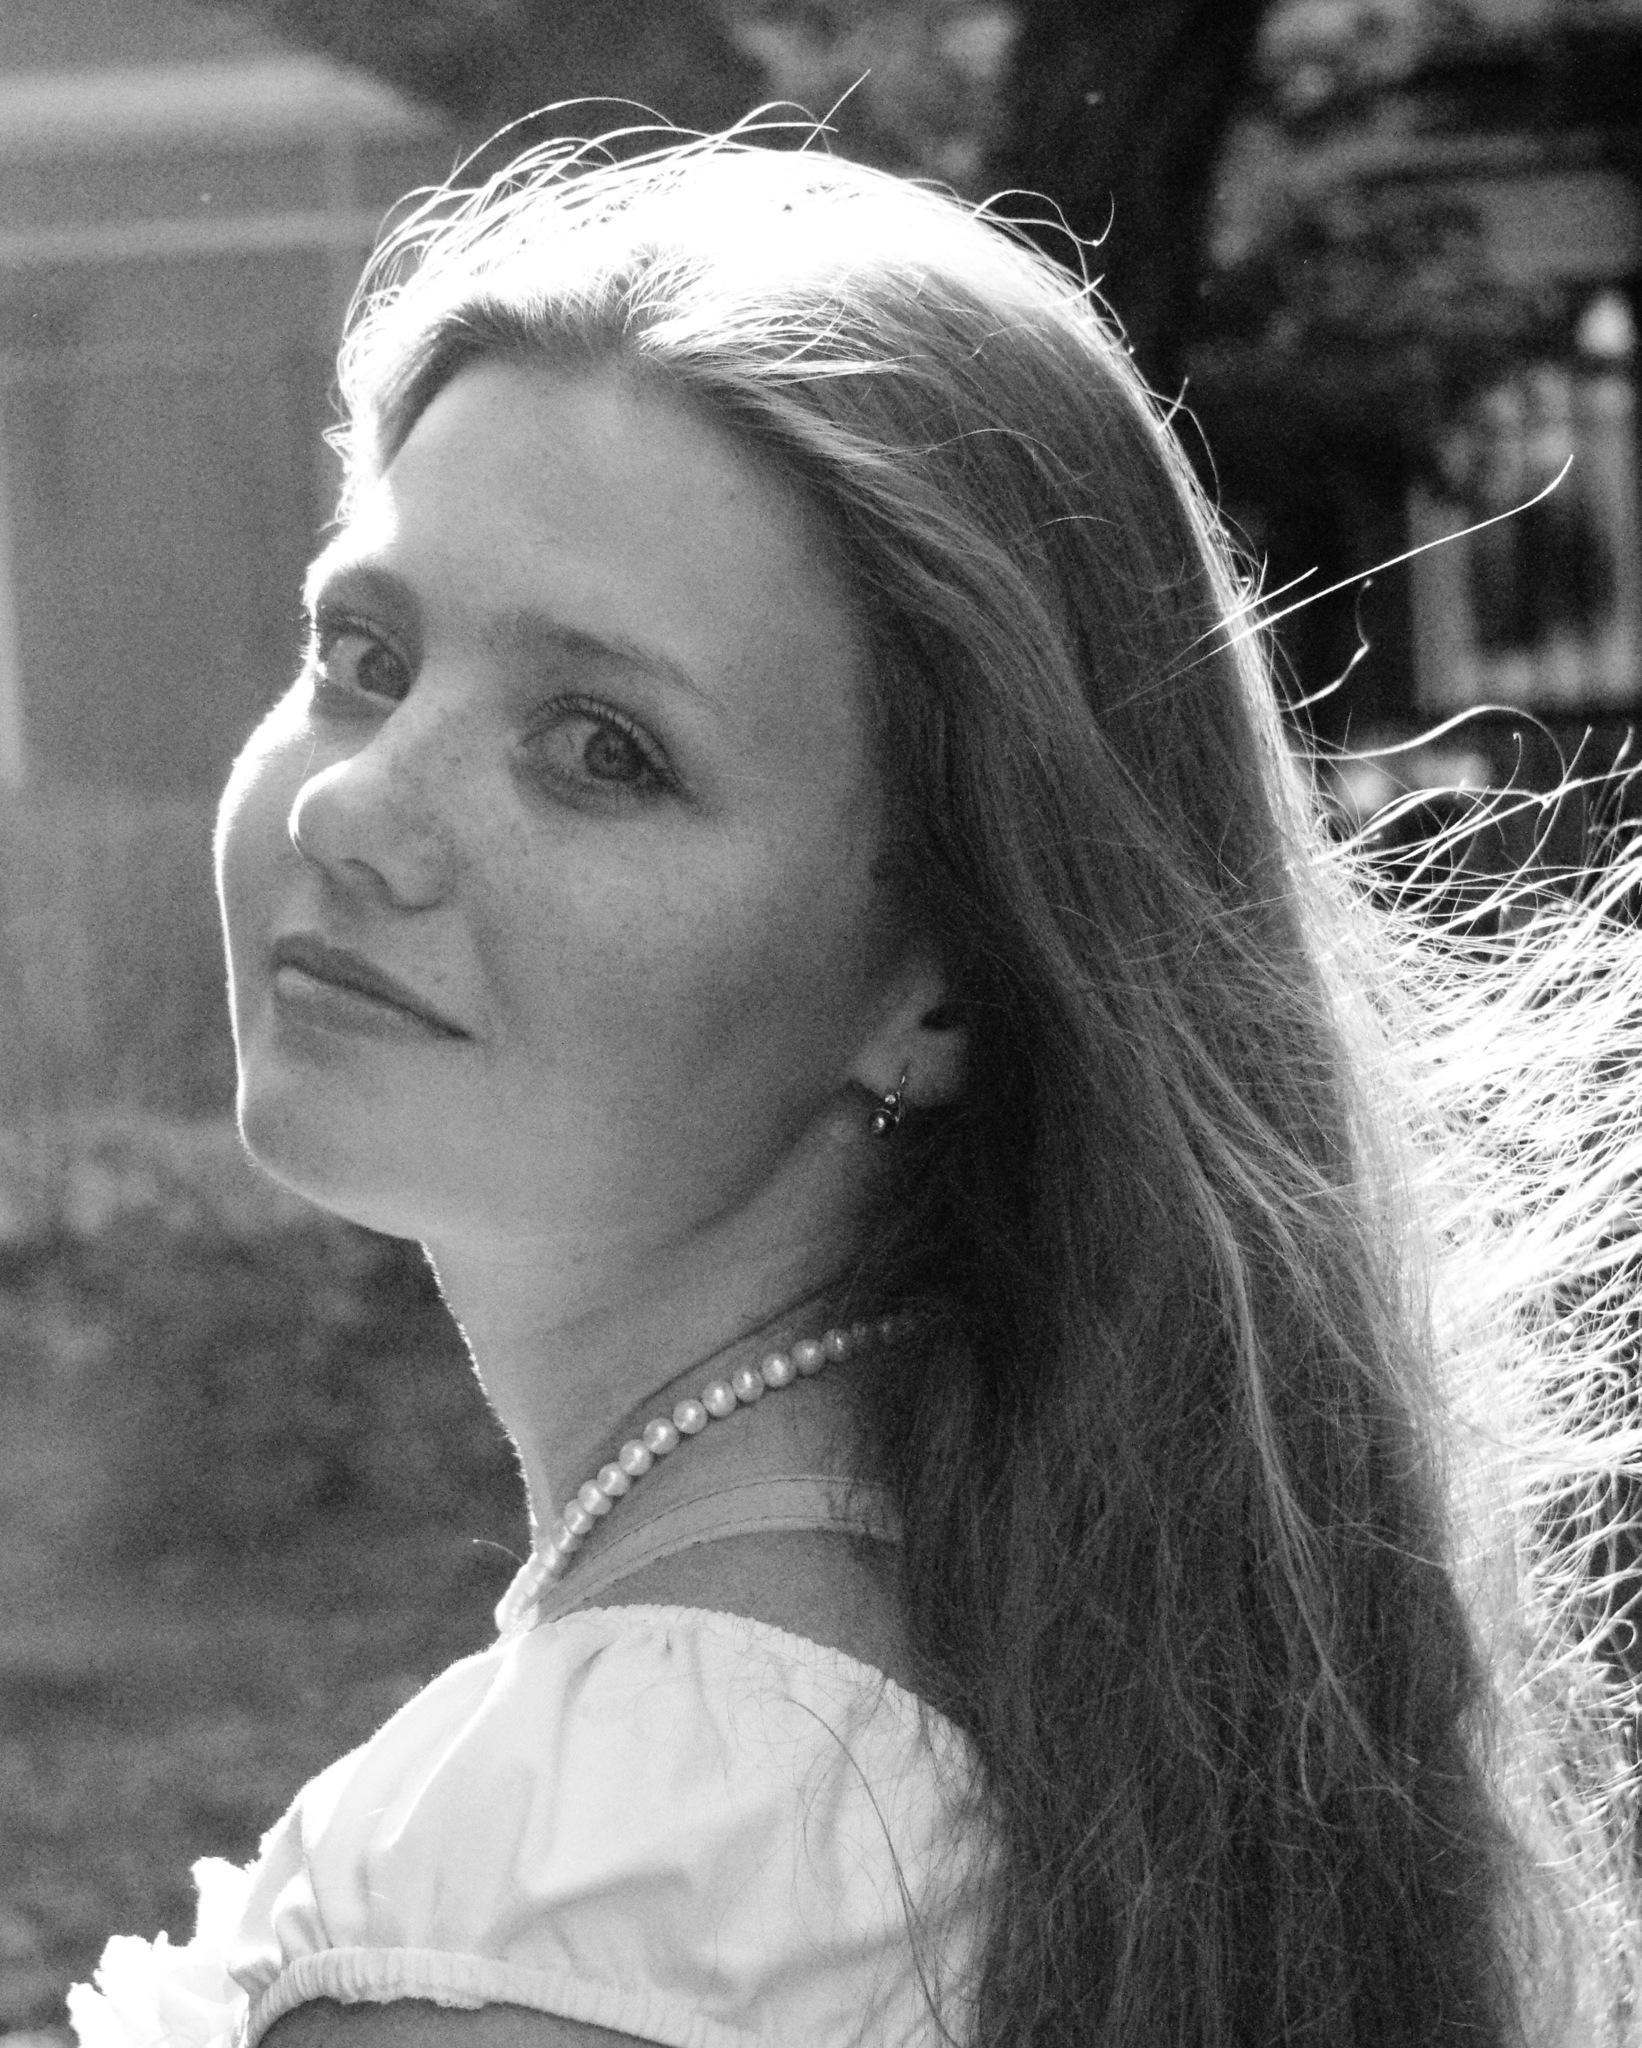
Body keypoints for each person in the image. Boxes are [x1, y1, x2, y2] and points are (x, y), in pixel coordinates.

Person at [69, 127, 1642, 2048]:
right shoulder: (1045, 1649)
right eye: (363, 651)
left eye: (601, 747)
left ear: (943, 985)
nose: (353, 807)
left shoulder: (609, 1881)